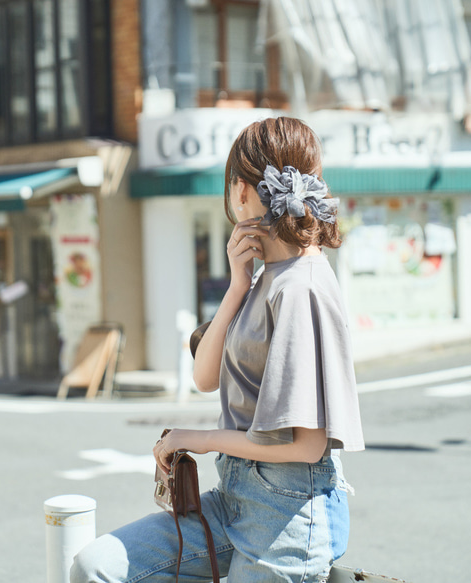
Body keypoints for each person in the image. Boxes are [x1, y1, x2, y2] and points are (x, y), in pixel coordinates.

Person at [70, 117, 365, 583]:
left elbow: (306, 445)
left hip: (288, 518)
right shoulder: (266, 278)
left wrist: (193, 438)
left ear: (242, 190)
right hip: (236, 497)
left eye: (230, 188)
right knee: (96, 566)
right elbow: (205, 378)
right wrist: (235, 287)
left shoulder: (300, 286)